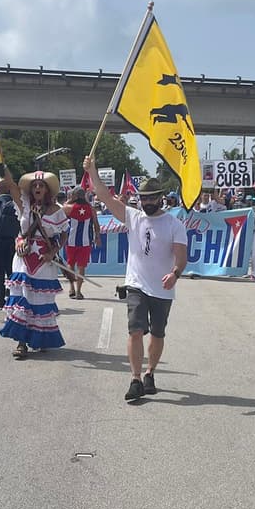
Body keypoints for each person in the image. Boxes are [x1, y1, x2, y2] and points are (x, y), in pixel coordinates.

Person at [85, 155, 189, 401]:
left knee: (158, 334)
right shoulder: (133, 216)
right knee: (135, 331)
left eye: (152, 198)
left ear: (161, 197)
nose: (147, 202)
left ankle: (150, 372)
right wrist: (92, 170)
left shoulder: (174, 224)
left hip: (162, 289)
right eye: (143, 198)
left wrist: (175, 274)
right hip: (136, 285)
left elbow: (181, 257)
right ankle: (135, 379)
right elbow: (104, 196)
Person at [0, 151, 66, 358]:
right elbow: (10, 184)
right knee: (22, 299)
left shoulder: (56, 210)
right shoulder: (23, 205)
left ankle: (41, 338)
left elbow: (63, 234)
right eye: (34, 185)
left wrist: (53, 251)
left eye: (40, 186)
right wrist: (2, 162)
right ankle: (22, 342)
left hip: (45, 261)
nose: (37, 188)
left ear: (47, 189)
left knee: (40, 302)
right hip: (24, 258)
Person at [63, 187, 101, 300]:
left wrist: (70, 200)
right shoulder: (91, 209)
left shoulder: (68, 208)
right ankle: (79, 291)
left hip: (71, 240)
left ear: (74, 196)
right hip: (85, 241)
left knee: (70, 264)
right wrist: (97, 236)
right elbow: (96, 225)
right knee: (81, 266)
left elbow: (62, 207)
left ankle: (71, 288)